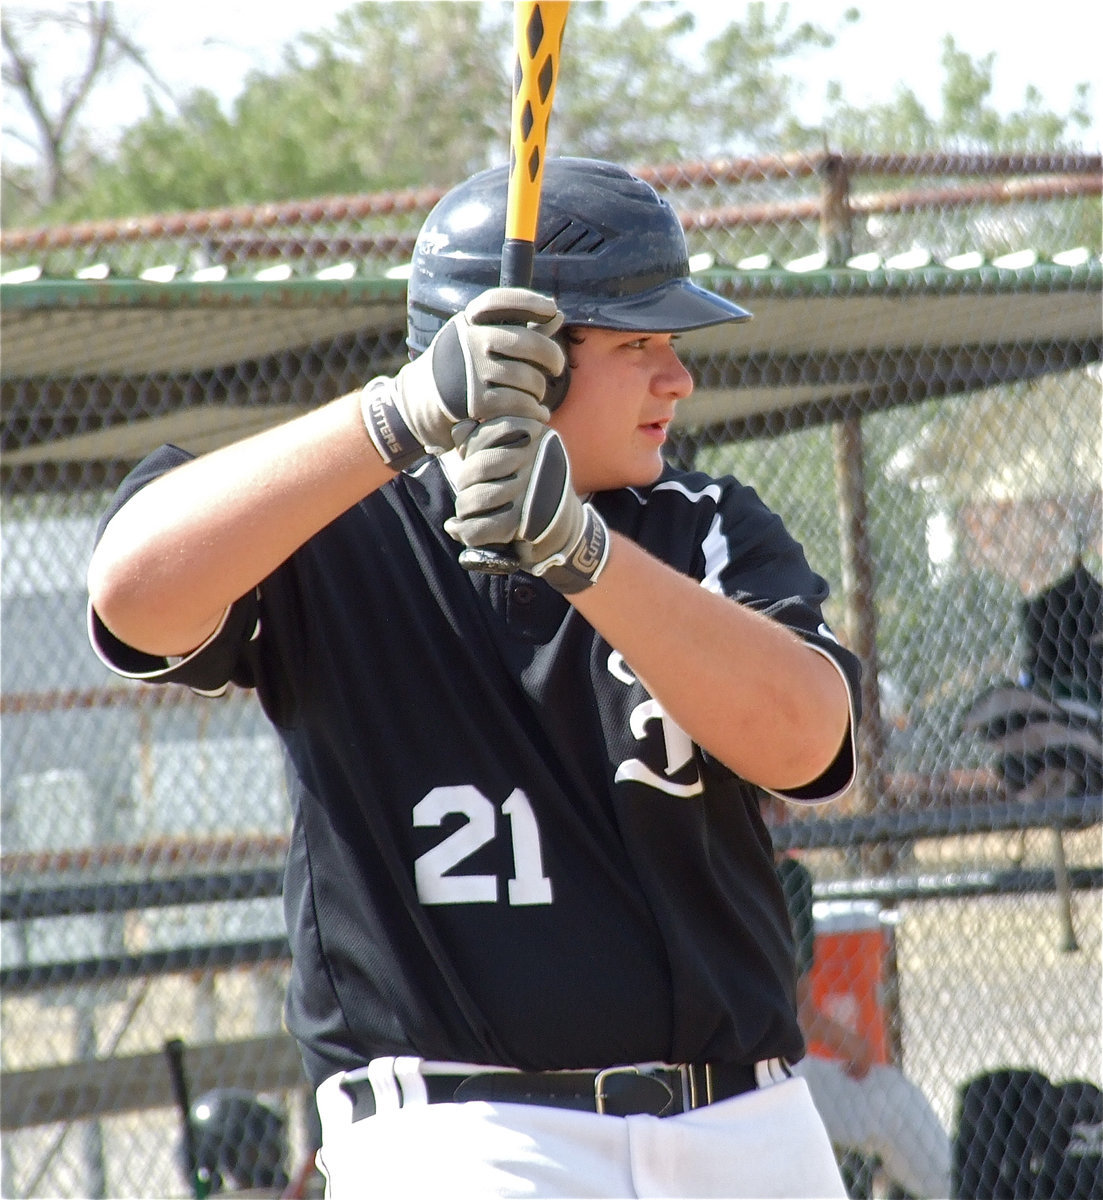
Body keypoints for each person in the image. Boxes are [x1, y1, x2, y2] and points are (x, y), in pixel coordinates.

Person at [87, 158, 863, 1200]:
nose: (676, 379)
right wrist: (396, 417)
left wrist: (578, 554)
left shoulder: (702, 524)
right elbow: (132, 594)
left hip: (744, 1123)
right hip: (468, 1135)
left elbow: (809, 743)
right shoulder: (335, 528)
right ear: (521, 363)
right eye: (639, 345)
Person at [762, 794, 952, 1199]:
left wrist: (851, 1045)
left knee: (891, 1101)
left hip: (782, 1070)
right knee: (892, 1106)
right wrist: (853, 1045)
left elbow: (799, 1010)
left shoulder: (792, 878)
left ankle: (965, 1190)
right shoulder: (729, 874)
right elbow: (794, 1017)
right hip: (751, 1079)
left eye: (778, 806)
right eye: (767, 805)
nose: (782, 816)